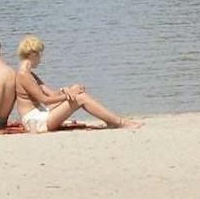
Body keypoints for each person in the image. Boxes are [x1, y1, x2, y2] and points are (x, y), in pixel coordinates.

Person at [10, 36, 142, 131]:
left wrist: (66, 90)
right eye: (40, 55)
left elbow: (51, 94)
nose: (41, 59)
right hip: (35, 122)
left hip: (41, 113)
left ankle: (112, 121)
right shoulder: (23, 74)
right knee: (81, 98)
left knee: (76, 92)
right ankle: (119, 123)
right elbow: (45, 100)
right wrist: (71, 95)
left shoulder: (29, 73)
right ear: (33, 54)